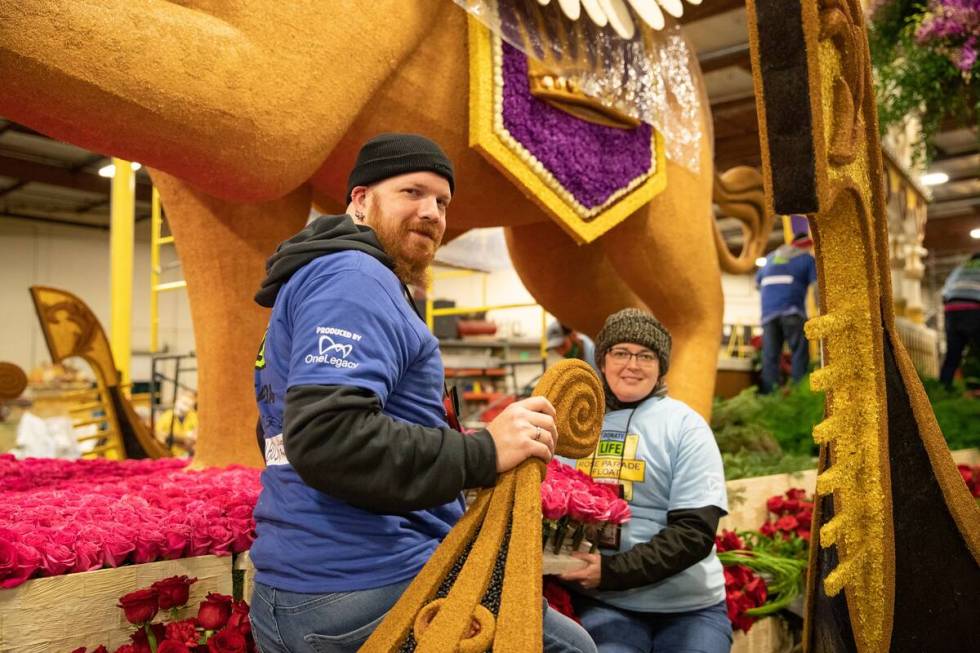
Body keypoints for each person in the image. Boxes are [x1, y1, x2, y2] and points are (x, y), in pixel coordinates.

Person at [248, 133, 596, 653]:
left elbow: (278, 434)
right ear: (361, 201)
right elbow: (327, 437)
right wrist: (484, 452)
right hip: (368, 582)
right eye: (412, 192)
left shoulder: (318, 279)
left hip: (304, 583)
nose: (432, 212)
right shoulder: (354, 277)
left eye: (442, 201)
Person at [558, 308, 732, 653]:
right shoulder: (577, 424)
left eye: (645, 356)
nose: (632, 365)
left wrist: (611, 571)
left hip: (688, 608)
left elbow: (693, 534)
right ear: (602, 360)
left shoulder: (686, 428)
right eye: (620, 352)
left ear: (660, 366)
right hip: (603, 603)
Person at [755, 231, 818, 393]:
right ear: (807, 246)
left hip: (768, 314)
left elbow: (757, 285)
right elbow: (818, 286)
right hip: (792, 312)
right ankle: (799, 395)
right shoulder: (806, 259)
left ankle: (770, 397)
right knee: (799, 352)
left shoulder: (769, 258)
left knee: (770, 356)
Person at [939, 252, 980, 389]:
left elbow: (944, 294)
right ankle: (974, 382)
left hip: (952, 311)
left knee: (953, 354)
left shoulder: (959, 269)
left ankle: (944, 387)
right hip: (974, 309)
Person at [154, 388, 198, 455]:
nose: (184, 407)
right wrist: (184, 438)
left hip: (189, 455)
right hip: (170, 454)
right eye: (184, 402)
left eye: (189, 404)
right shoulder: (165, 417)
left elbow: (195, 438)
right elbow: (160, 437)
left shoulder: (194, 416)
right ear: (177, 401)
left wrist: (174, 439)